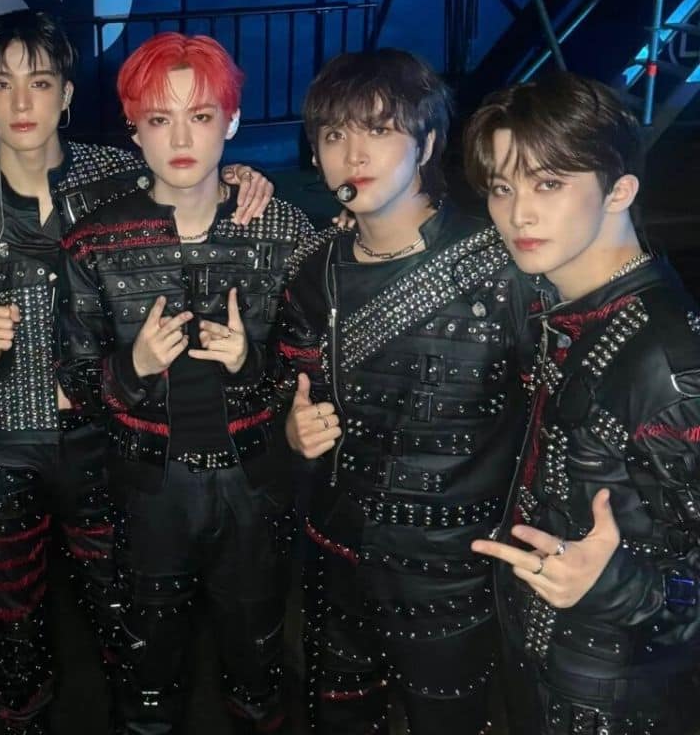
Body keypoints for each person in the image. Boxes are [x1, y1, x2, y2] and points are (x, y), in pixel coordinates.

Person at [0, 9, 274, 734]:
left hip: (104, 436)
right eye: (1, 84)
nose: (22, 102)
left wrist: (241, 173)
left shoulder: (114, 173)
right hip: (3, 444)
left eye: (40, 82)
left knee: (127, 610)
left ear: (67, 93)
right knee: (12, 614)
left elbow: (187, 175)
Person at [58, 31, 318, 734]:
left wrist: (252, 366)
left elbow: (314, 370)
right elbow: (72, 380)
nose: (181, 138)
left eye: (200, 116)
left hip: (255, 485)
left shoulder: (281, 228)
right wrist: (133, 369)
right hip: (148, 492)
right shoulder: (94, 240)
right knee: (146, 675)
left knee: (258, 666)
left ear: (231, 122)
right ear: (133, 128)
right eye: (159, 118)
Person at [278, 48, 530, 734]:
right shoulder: (313, 272)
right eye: (334, 134)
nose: (353, 153)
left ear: (426, 143)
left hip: (455, 567)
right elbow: (287, 387)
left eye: (380, 130)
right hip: (336, 551)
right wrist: (292, 429)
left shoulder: (502, 263)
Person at [465, 71, 700, 734]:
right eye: (502, 188)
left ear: (619, 189)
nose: (518, 214)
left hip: (620, 694)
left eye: (549, 184)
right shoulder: (561, 301)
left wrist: (619, 586)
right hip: (539, 659)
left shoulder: (666, 363)